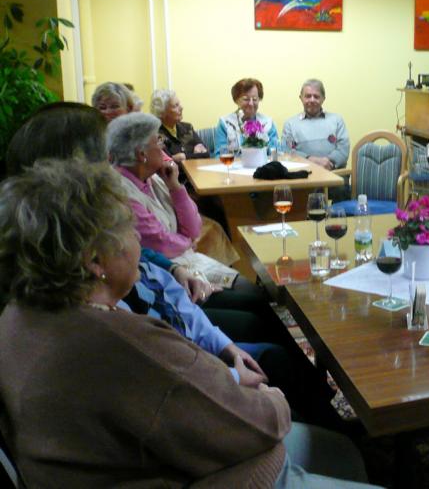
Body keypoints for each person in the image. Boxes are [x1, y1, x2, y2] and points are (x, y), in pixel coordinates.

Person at [0, 159, 375, 487]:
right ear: (95, 260)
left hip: (128, 466)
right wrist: (272, 398)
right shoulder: (122, 343)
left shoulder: (20, 315)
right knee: (342, 451)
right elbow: (254, 424)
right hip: (218, 478)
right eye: (129, 228)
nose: (139, 240)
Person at [6, 101, 342, 430]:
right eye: (104, 155)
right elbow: (174, 370)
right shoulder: (105, 314)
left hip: (180, 299)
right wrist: (242, 383)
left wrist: (174, 264)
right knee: (266, 342)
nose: (112, 162)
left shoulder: (64, 271)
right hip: (193, 355)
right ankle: (327, 425)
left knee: (259, 316)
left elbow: (166, 259)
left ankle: (319, 403)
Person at [107, 112, 256, 294]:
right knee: (251, 296)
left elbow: (194, 227)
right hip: (166, 278)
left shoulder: (155, 178)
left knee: (253, 290)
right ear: (141, 154)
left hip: (189, 263)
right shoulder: (122, 192)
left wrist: (175, 186)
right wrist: (187, 242)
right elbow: (160, 243)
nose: (163, 147)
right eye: (158, 141)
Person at [282, 78, 350, 171]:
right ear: (301, 98)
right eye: (308, 96)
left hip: (333, 174)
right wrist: (309, 159)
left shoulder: (337, 120)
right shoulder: (290, 124)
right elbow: (287, 150)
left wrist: (328, 163)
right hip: (303, 176)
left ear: (323, 99)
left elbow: (343, 149)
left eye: (316, 96)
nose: (312, 100)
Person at [213, 77, 278, 156]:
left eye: (255, 99)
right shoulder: (225, 123)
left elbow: (275, 154)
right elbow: (219, 155)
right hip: (234, 164)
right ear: (236, 100)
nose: (251, 103)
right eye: (246, 99)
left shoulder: (267, 123)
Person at [151, 89, 209, 161]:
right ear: (162, 112)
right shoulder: (156, 135)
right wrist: (194, 155)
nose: (181, 108)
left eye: (179, 104)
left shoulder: (187, 128)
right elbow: (168, 162)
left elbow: (207, 155)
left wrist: (183, 157)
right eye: (176, 106)